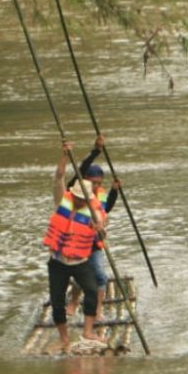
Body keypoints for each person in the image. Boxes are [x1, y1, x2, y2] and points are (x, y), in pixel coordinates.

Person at [43, 140, 107, 352]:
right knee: (57, 301)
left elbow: (102, 230)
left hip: (80, 260)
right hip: (58, 261)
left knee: (91, 290)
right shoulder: (63, 200)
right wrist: (64, 156)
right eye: (78, 197)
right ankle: (64, 338)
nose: (80, 201)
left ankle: (88, 331)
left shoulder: (94, 210)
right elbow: (59, 177)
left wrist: (99, 228)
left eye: (83, 199)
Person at [66, 133, 121, 320]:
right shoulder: (76, 192)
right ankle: (73, 303)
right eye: (93, 183)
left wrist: (114, 191)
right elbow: (81, 171)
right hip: (79, 242)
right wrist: (96, 151)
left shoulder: (101, 194)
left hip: (95, 243)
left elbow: (108, 209)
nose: (96, 186)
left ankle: (97, 309)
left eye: (99, 183)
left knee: (100, 276)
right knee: (80, 278)